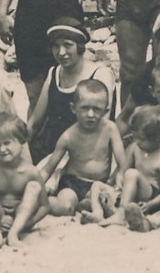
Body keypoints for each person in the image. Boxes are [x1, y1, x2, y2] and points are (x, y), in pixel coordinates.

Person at [27, 17, 119, 162]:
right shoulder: (54, 72)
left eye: (67, 45)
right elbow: (35, 123)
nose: (61, 52)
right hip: (50, 150)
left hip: (85, 156)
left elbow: (100, 128)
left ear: (80, 46)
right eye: (55, 46)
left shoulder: (100, 74)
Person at [40, 79, 125, 219]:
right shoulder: (68, 136)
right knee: (66, 206)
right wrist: (36, 185)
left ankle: (89, 206)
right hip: (72, 182)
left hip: (100, 184)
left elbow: (123, 163)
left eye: (97, 109)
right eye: (85, 108)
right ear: (74, 108)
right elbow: (48, 168)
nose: (90, 114)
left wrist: (117, 178)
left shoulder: (110, 129)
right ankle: (41, 203)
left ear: (106, 110)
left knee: (109, 199)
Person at [0, 114, 49, 249]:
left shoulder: (31, 171)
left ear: (21, 141)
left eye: (7, 143)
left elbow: (44, 206)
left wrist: (27, 223)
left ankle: (13, 234)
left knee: (34, 187)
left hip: (22, 217)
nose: (2, 149)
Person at [108, 105, 160, 231]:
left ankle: (121, 214)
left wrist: (151, 204)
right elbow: (122, 171)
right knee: (97, 186)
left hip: (151, 198)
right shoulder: (135, 148)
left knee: (132, 174)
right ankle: (101, 212)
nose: (137, 141)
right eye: (135, 137)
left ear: (157, 138)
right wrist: (119, 181)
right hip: (133, 192)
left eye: (142, 139)